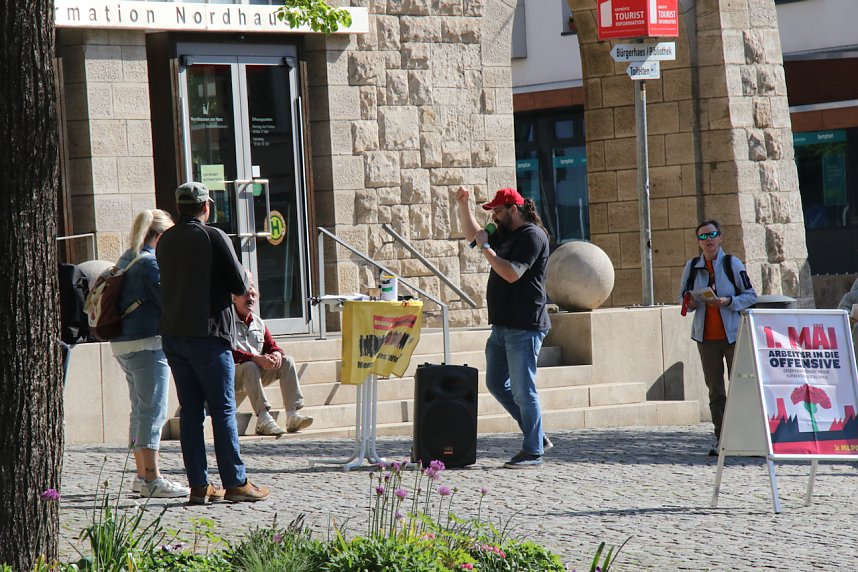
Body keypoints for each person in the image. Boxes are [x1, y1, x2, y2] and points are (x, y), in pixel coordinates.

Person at [157, 182, 269, 504]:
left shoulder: (166, 240)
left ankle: (199, 485)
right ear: (206, 207)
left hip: (174, 337)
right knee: (222, 409)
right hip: (208, 335)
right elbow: (238, 285)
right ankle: (235, 482)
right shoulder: (214, 236)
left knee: (191, 411)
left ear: (179, 208)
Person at [454, 186, 552, 469]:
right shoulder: (505, 231)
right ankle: (537, 435)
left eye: (498, 210)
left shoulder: (533, 235)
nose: (494, 216)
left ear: (514, 209)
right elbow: (473, 235)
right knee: (496, 383)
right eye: (492, 211)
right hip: (502, 325)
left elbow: (511, 274)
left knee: (524, 389)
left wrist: (485, 246)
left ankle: (533, 451)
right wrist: (464, 204)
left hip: (525, 325)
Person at [110, 209, 189, 498]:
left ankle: (141, 475)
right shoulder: (150, 263)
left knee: (139, 409)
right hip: (147, 344)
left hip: (123, 344)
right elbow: (169, 303)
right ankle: (152, 478)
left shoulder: (127, 258)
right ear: (161, 235)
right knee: (153, 410)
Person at [679, 219, 757, 456]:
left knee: (741, 388)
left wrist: (729, 302)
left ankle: (746, 437)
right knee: (715, 391)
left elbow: (751, 295)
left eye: (712, 235)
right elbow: (683, 297)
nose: (708, 240)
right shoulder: (692, 266)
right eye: (703, 237)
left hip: (733, 337)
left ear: (720, 238)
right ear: (699, 242)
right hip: (706, 339)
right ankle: (721, 439)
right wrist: (690, 301)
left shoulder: (732, 263)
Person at [232, 272, 314, 436]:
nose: (250, 299)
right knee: (249, 366)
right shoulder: (226, 321)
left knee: (286, 361)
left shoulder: (258, 322)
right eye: (246, 295)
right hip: (232, 375)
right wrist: (255, 358)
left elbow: (272, 346)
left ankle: (292, 415)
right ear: (234, 298)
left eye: (253, 295)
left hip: (254, 373)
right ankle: (263, 419)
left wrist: (276, 354)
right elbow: (226, 351)